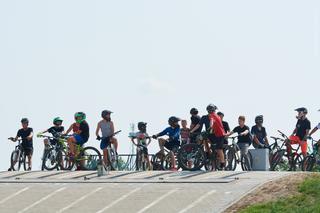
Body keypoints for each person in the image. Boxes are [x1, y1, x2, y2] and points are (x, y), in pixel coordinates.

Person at [207, 104, 226, 169]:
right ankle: (212, 150)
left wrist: (210, 126)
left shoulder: (212, 115)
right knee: (207, 138)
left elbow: (212, 121)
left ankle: (222, 163)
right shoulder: (216, 115)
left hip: (220, 134)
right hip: (216, 134)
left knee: (219, 149)